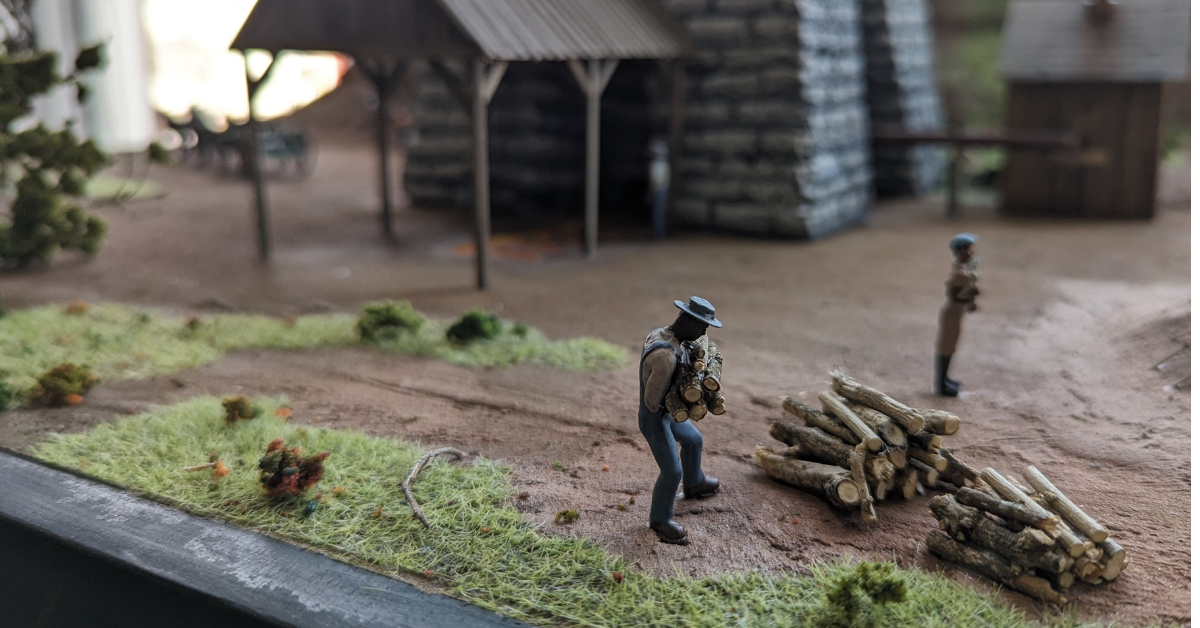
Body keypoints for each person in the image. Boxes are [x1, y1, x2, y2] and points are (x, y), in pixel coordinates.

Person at [638, 296, 722, 545]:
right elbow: (653, 402)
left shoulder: (662, 334)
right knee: (672, 470)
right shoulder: (666, 356)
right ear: (688, 320)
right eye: (702, 325)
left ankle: (694, 482)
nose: (704, 331)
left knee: (694, 439)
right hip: (654, 418)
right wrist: (686, 398)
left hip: (669, 414)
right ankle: (660, 520)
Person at [935, 233, 980, 396]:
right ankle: (940, 384)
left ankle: (945, 378)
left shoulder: (964, 269)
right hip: (953, 312)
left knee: (951, 346)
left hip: (957, 312)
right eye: (968, 250)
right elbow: (953, 294)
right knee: (946, 346)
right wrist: (970, 294)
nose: (971, 253)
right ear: (960, 251)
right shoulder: (960, 273)